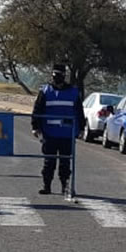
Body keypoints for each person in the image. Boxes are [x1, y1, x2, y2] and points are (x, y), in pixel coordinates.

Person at [30, 64, 84, 195]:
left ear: (64, 76)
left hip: (67, 133)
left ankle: (65, 186)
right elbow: (37, 109)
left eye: (59, 76)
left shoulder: (73, 92)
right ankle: (47, 186)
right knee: (49, 161)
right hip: (50, 133)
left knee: (65, 162)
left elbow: (79, 112)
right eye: (55, 76)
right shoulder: (45, 91)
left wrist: (82, 128)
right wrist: (35, 127)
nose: (56, 79)